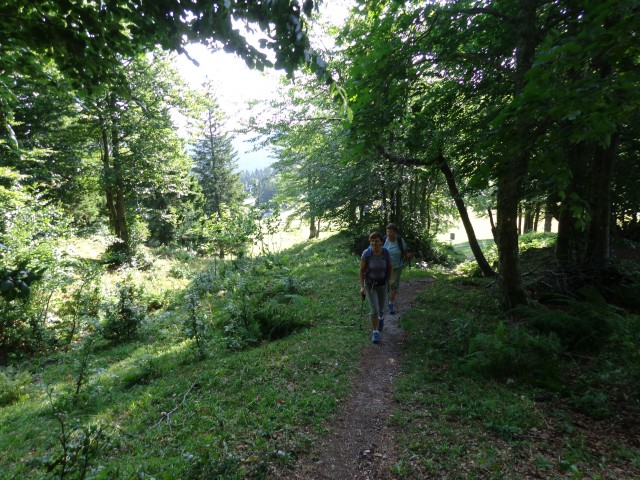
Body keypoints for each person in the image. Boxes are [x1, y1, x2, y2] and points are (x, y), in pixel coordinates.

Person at [360, 231, 393, 344]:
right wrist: (362, 286)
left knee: (381, 307)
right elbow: (361, 270)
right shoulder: (367, 253)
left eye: (376, 241)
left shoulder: (385, 253)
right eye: (372, 241)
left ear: (381, 242)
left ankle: (381, 318)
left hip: (382, 284)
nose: (374, 243)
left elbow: (389, 267)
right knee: (374, 310)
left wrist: (389, 279)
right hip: (370, 285)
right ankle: (375, 332)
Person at [383, 223, 410, 315]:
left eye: (390, 231)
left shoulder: (399, 240)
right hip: (384, 267)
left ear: (395, 232)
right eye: (387, 231)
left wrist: (407, 255)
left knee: (393, 286)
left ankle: (391, 303)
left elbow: (405, 252)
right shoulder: (383, 240)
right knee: (385, 285)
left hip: (397, 267)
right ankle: (385, 300)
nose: (388, 233)